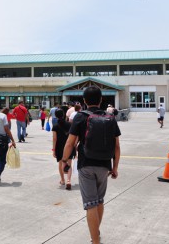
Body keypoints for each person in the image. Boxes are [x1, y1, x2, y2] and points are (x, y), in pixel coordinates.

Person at [62, 86, 121, 244]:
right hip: (104, 165)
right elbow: (116, 146)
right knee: (99, 201)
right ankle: (96, 232)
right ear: (101, 100)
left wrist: (64, 160)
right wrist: (114, 167)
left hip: (86, 164)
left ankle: (95, 241)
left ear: (84, 101)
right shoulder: (110, 117)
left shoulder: (80, 117)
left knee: (90, 204)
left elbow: (70, 142)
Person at [52, 109, 76, 190]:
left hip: (59, 147)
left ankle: (62, 180)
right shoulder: (70, 124)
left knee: (61, 163)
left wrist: (53, 149)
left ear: (56, 116)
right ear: (64, 114)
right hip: (69, 145)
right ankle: (69, 180)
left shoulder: (55, 126)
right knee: (69, 163)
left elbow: (54, 139)